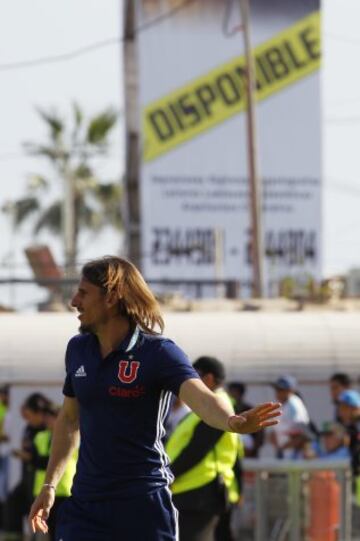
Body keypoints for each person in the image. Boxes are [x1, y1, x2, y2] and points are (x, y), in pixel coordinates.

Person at [28, 256, 281, 541]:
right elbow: (69, 419)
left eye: (84, 293)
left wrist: (231, 421)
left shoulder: (158, 352)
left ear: (111, 297)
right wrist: (50, 485)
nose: (74, 301)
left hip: (143, 505)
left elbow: (203, 397)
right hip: (86, 505)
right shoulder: (77, 349)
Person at [166, 356, 243, 541]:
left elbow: (196, 450)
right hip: (199, 491)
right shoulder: (212, 406)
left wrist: (167, 476)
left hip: (200, 492)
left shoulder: (218, 406)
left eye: (193, 377)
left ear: (208, 379)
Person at [4, 393, 49, 541]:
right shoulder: (28, 429)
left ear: (39, 413)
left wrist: (28, 457)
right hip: (28, 479)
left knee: (38, 515)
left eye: (29, 414)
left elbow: (46, 460)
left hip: (41, 483)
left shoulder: (46, 432)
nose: (26, 417)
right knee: (12, 503)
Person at [31, 402, 78, 540]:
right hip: (43, 490)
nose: (47, 421)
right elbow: (35, 461)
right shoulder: (40, 437)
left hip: (65, 489)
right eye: (46, 418)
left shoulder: (72, 435)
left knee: (65, 529)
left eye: (51, 417)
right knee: (49, 530)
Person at [269, 375, 309, 459]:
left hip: (296, 455)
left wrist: (281, 449)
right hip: (284, 454)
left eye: (281, 389)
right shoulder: (282, 404)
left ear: (290, 390)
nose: (278, 392)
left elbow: (301, 435)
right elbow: (273, 432)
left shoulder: (294, 405)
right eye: (277, 389)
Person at [228, 381, 264, 457]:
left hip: (249, 454)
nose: (230, 395)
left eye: (233, 392)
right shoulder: (227, 410)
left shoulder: (250, 410)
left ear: (241, 394)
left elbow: (260, 432)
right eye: (229, 392)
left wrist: (253, 449)